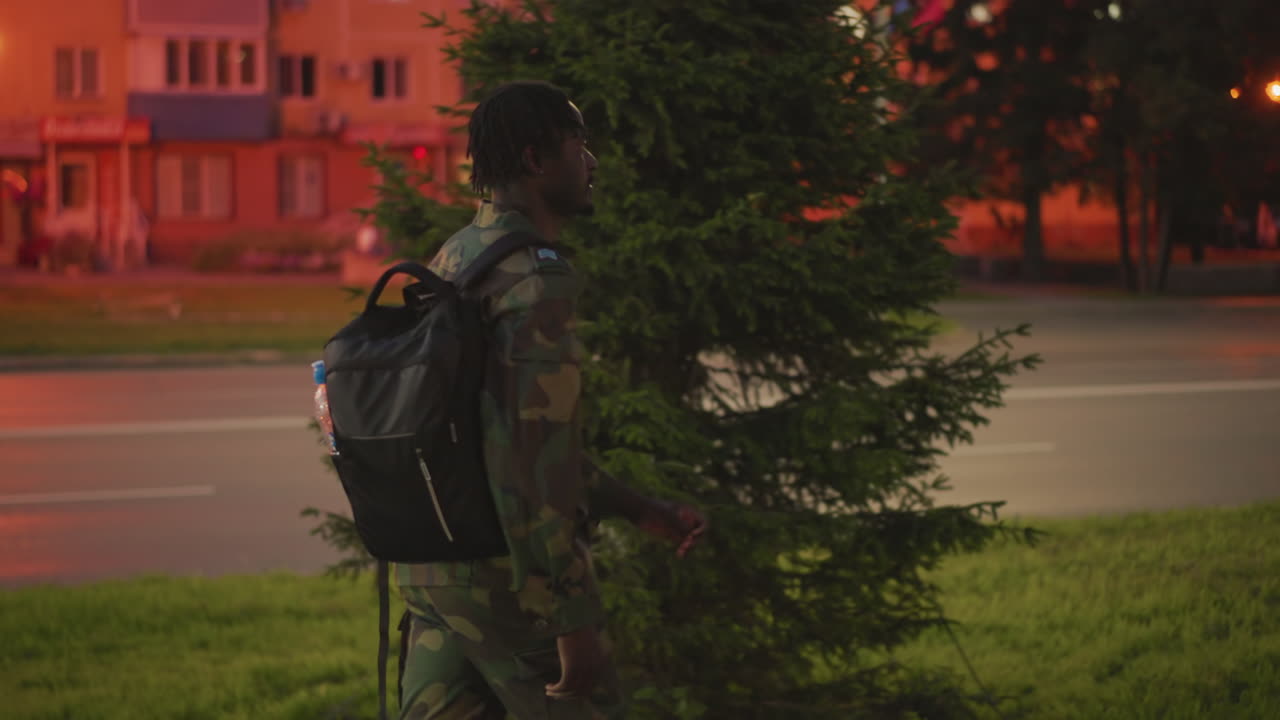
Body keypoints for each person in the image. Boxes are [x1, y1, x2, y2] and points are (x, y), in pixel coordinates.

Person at [396, 81, 708, 719]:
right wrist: (570, 614)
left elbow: (502, 434)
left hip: (432, 568)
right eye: (578, 144)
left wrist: (641, 509)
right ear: (536, 160)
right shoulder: (535, 278)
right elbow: (534, 458)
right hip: (507, 582)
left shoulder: (455, 256)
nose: (591, 161)